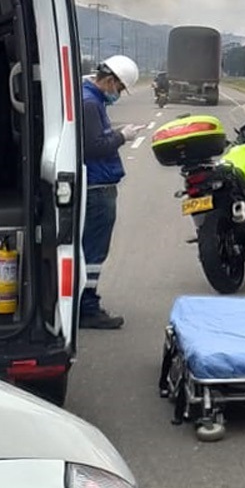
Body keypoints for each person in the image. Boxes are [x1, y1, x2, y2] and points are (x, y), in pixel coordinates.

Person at [80, 54, 142, 329]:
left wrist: (115, 133)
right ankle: (87, 308)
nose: (118, 94)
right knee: (94, 251)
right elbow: (93, 147)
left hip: (94, 185)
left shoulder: (89, 99)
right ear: (109, 80)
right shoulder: (91, 103)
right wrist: (122, 137)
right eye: (119, 88)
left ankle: (83, 303)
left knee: (89, 249)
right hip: (97, 188)